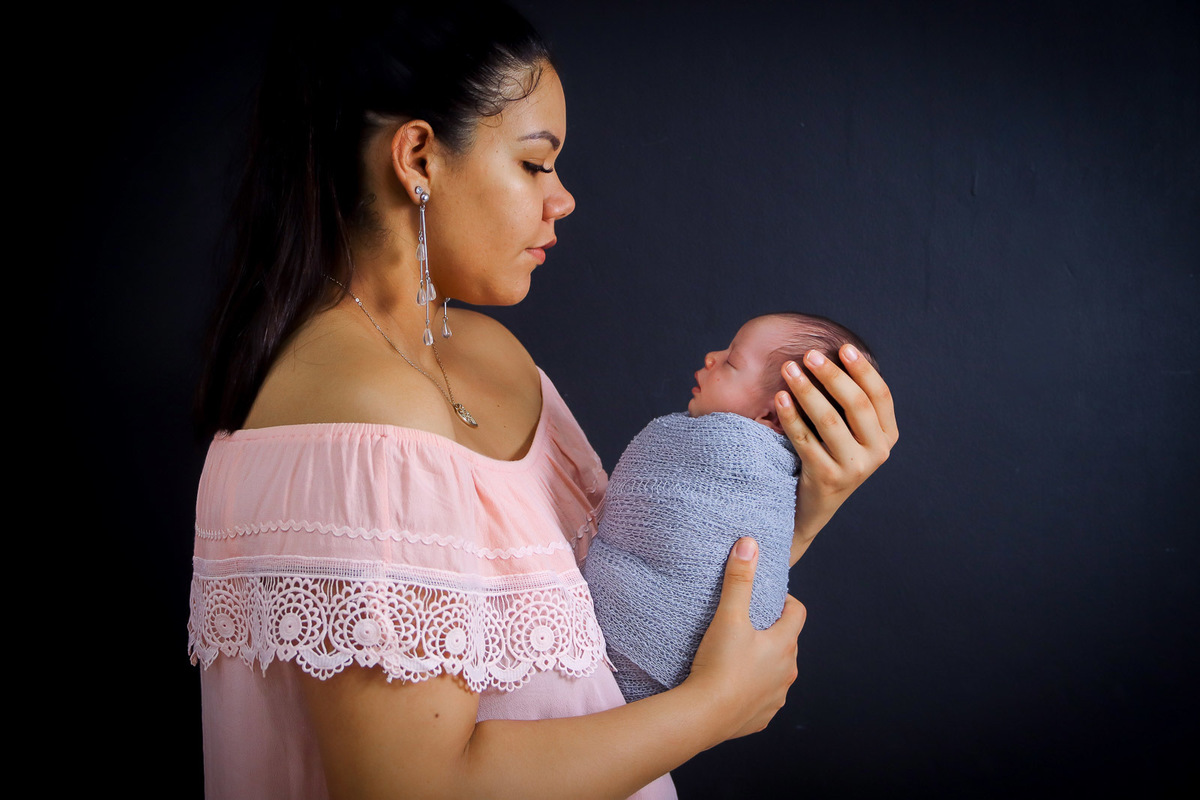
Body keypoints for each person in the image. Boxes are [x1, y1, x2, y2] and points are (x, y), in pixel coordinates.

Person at [188, 3, 898, 798]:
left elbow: (614, 640)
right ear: (418, 158)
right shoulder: (364, 411)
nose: (563, 200)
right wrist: (714, 709)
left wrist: (798, 513)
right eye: (535, 164)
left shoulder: (491, 353)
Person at [584, 313, 880, 702]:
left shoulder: (748, 466)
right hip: (668, 701)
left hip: (647, 684)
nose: (712, 356)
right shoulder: (696, 447)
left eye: (731, 361)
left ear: (770, 416)